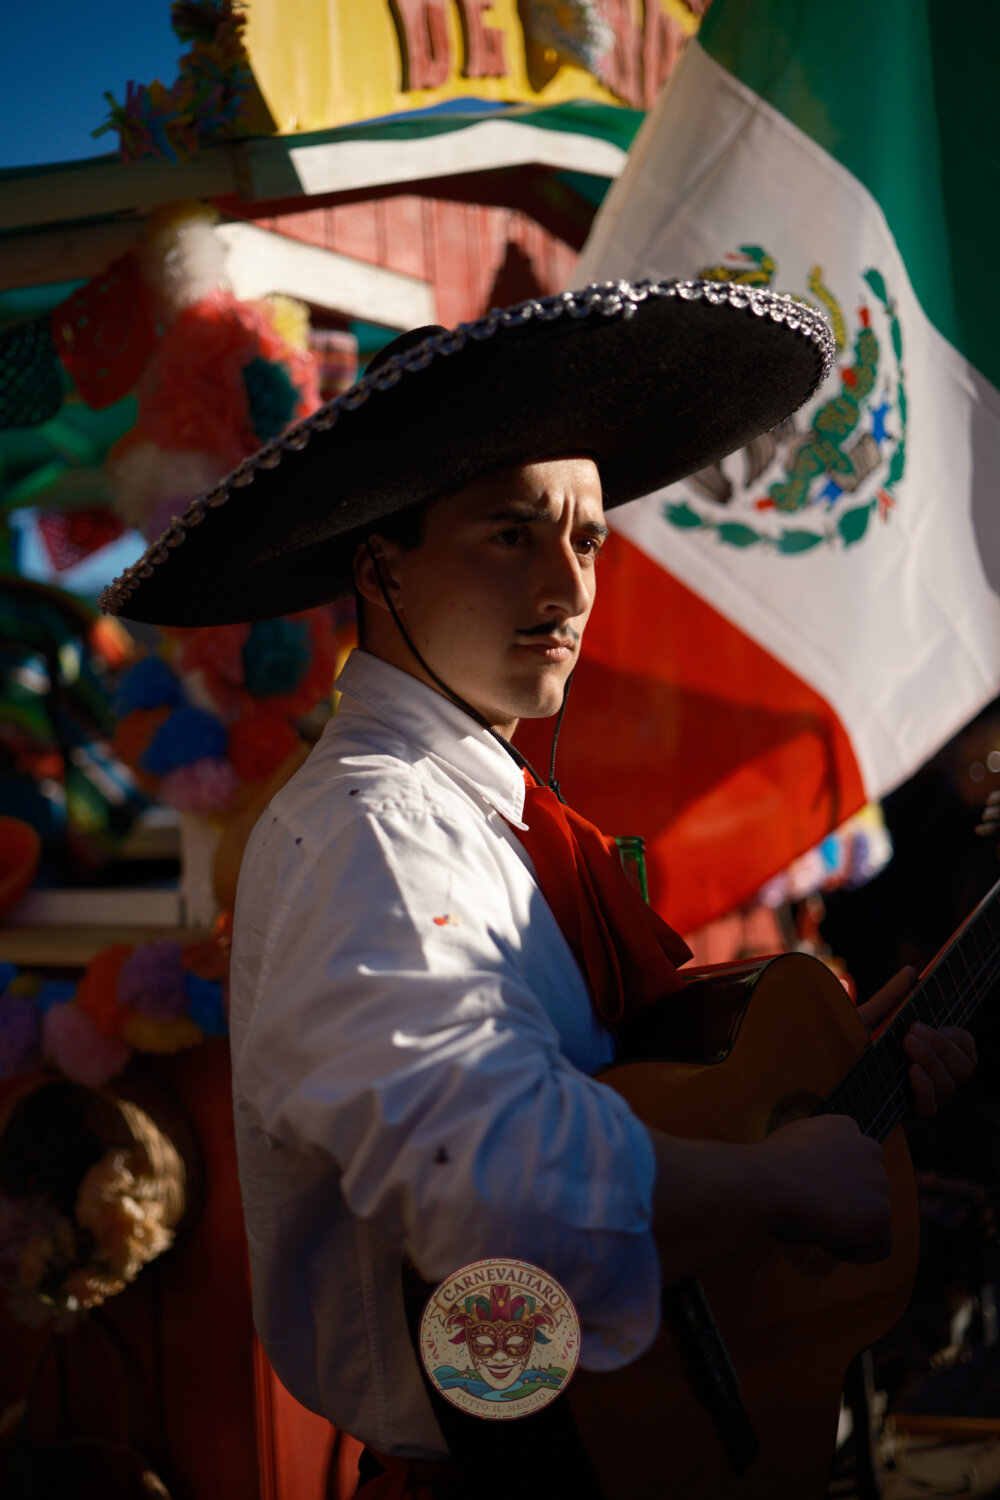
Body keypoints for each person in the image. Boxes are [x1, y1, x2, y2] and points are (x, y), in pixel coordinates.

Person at [101, 279, 977, 1497]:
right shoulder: (379, 829)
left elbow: (597, 1090)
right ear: (380, 564)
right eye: (512, 534)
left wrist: (827, 1083)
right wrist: (780, 1179)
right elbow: (492, 1186)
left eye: (586, 539)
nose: (567, 590)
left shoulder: (479, 814)